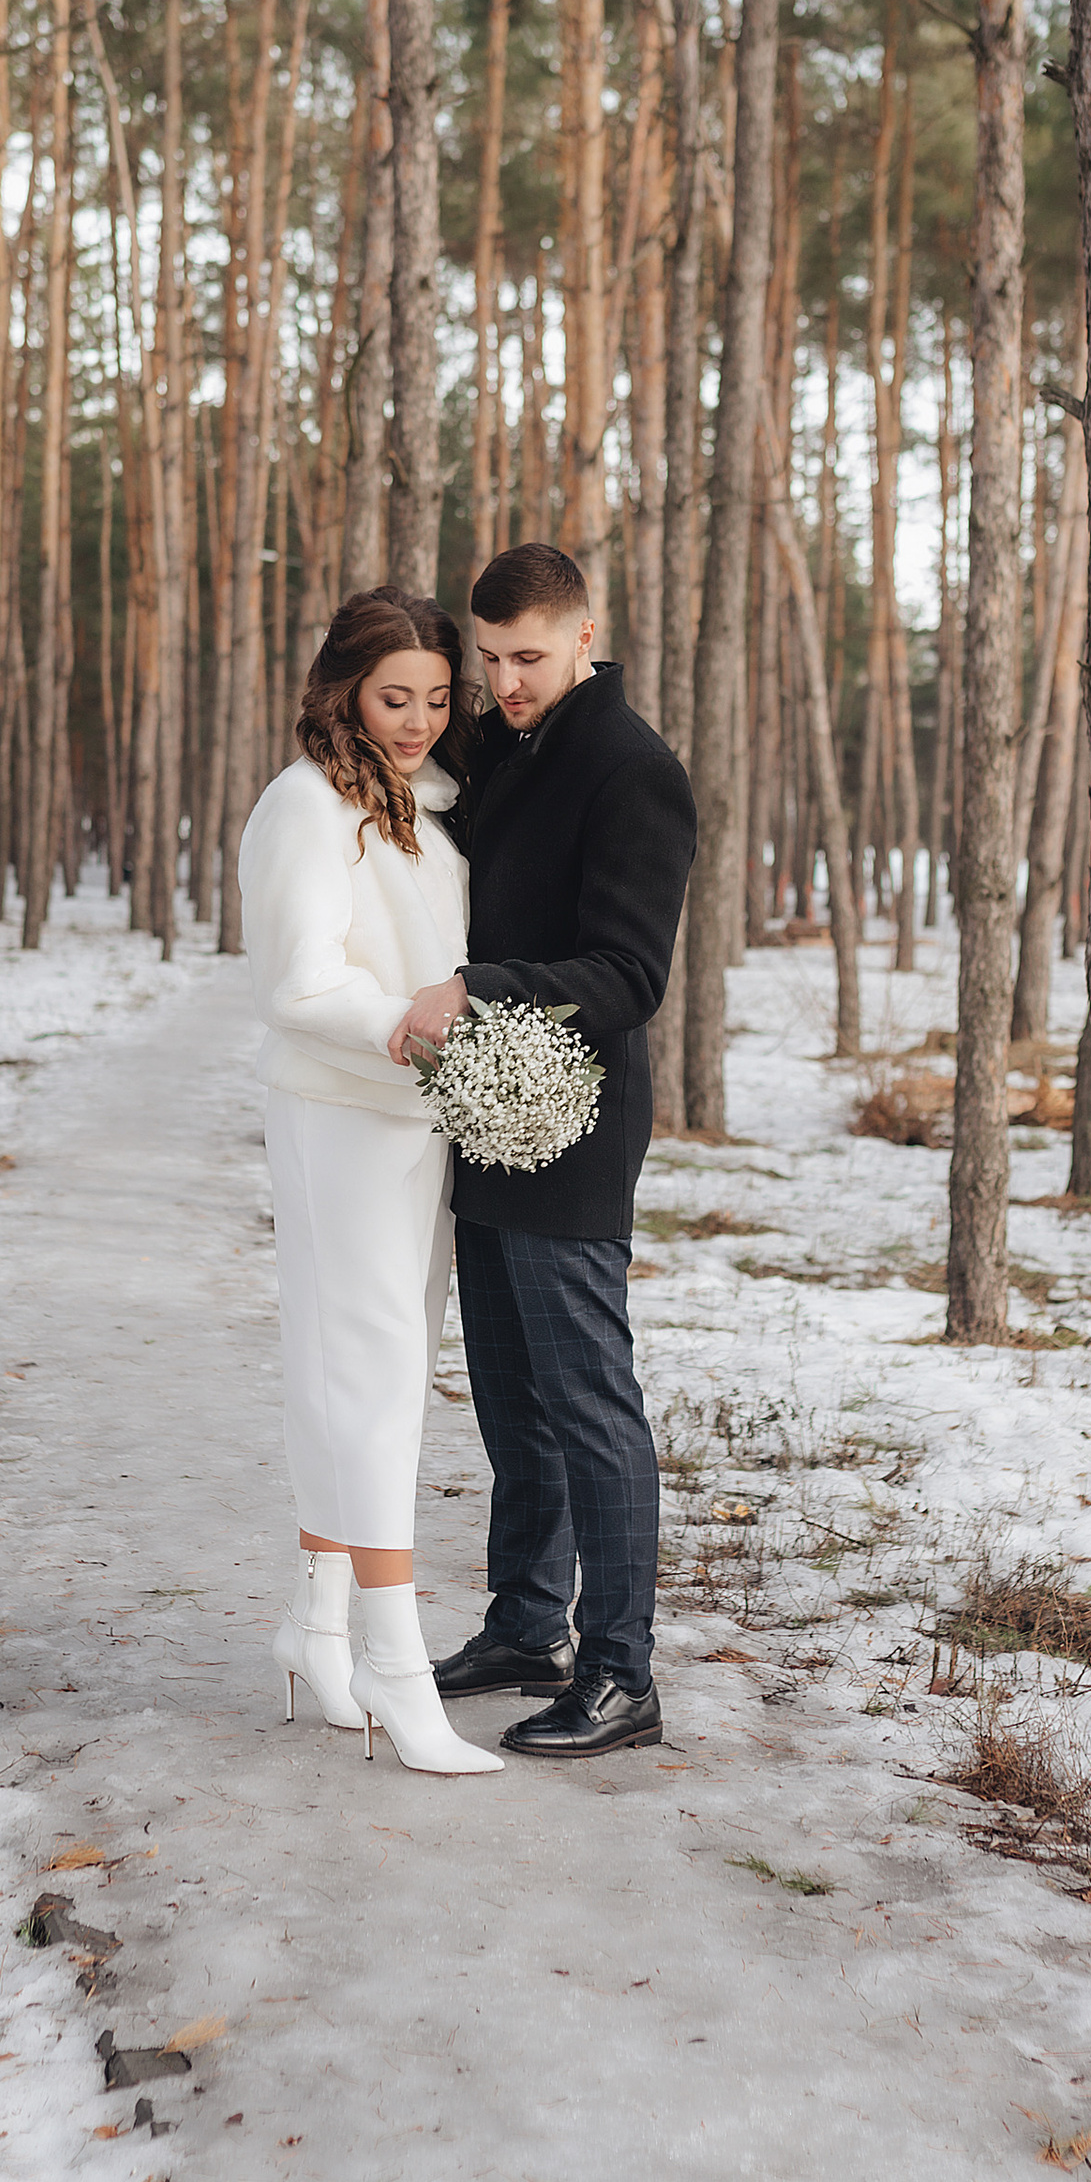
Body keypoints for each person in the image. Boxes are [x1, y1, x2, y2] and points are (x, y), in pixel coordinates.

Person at [390, 543, 698, 1759]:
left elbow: (628, 976)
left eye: (527, 657)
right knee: (512, 1399)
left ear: (584, 636)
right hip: (487, 1115)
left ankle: (622, 1673)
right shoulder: (498, 746)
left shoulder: (633, 772)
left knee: (587, 1406)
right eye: (490, 659)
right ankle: (527, 1628)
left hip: (574, 1126)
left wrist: (478, 988)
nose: (505, 682)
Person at [237, 591, 501, 1778]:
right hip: (345, 1112)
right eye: (395, 697)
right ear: (341, 687)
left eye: (438, 699)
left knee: (347, 1365)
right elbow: (300, 982)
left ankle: (319, 1618)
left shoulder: (422, 803)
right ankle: (396, 1663)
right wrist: (410, 1027)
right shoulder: (307, 805)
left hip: (408, 1114)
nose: (418, 720)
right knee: (373, 1370)